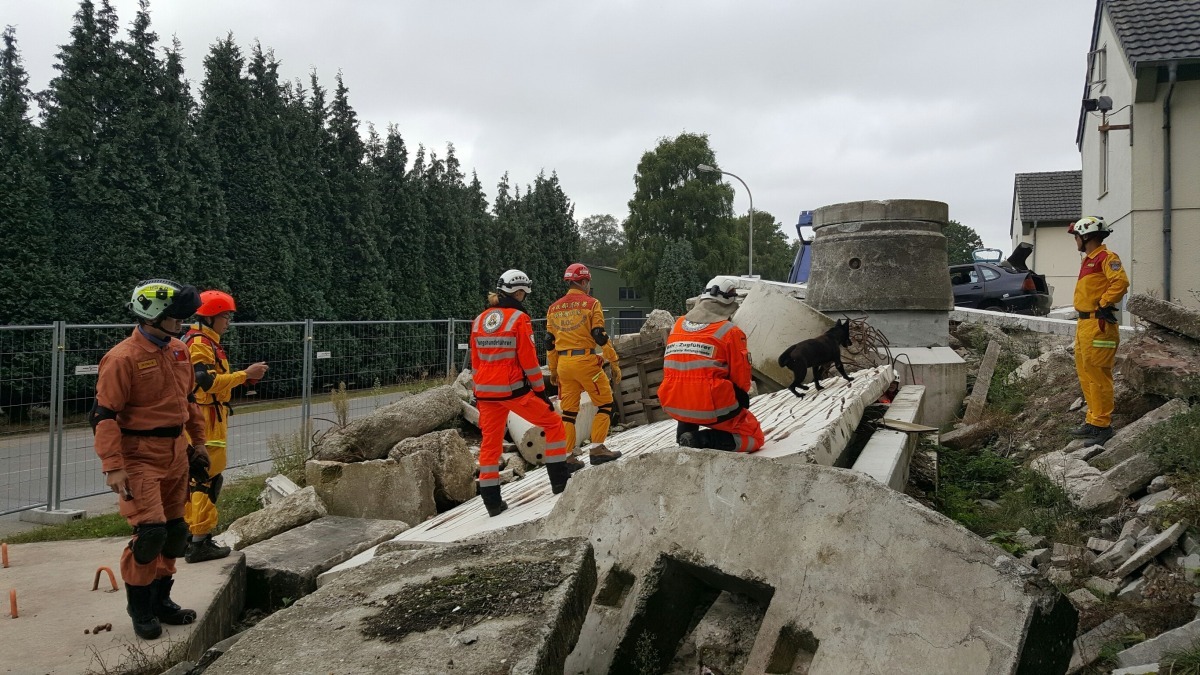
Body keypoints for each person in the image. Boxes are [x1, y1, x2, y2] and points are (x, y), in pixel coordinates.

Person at [90, 279, 208, 640]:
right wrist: (112, 465)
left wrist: (198, 443)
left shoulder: (178, 350)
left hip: (176, 452)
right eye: (175, 316)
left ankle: (161, 601)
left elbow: (188, 400)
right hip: (139, 456)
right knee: (150, 534)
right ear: (152, 315)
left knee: (175, 534)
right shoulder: (122, 358)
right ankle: (139, 608)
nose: (182, 323)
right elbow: (104, 415)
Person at [471, 270, 574, 516]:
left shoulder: (479, 319)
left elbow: (476, 361)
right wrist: (540, 391)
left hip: (485, 393)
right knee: (553, 424)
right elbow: (528, 361)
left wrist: (478, 388)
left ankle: (492, 503)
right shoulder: (519, 319)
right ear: (519, 292)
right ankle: (559, 482)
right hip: (512, 390)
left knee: (490, 445)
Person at [182, 290, 268, 563]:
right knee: (207, 479)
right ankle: (199, 541)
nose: (229, 321)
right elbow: (205, 382)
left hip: (208, 414)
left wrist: (241, 379)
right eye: (225, 316)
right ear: (211, 317)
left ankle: (187, 537)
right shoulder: (200, 343)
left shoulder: (204, 340)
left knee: (196, 478)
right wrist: (245, 375)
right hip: (206, 419)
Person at [657, 277, 765, 453]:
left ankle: (684, 435)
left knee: (689, 389)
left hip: (674, 401)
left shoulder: (678, 325)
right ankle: (701, 439)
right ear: (729, 304)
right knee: (754, 438)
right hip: (709, 405)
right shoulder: (731, 332)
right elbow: (742, 381)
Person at [546, 263, 623, 467]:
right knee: (605, 403)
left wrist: (553, 369)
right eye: (587, 282)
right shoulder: (592, 304)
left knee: (569, 412)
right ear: (583, 281)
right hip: (586, 363)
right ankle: (597, 449)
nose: (588, 286)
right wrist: (613, 360)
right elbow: (599, 334)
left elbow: (549, 342)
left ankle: (567, 457)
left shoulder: (553, 308)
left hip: (564, 364)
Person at [1068, 216, 1130, 445]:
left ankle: (1102, 426)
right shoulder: (1089, 260)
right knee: (1086, 375)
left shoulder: (1107, 258)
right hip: (1086, 325)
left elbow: (1120, 283)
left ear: (1086, 236)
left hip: (1099, 325)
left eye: (1076, 235)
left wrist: (1104, 303)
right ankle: (1093, 420)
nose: (1075, 240)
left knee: (1099, 377)